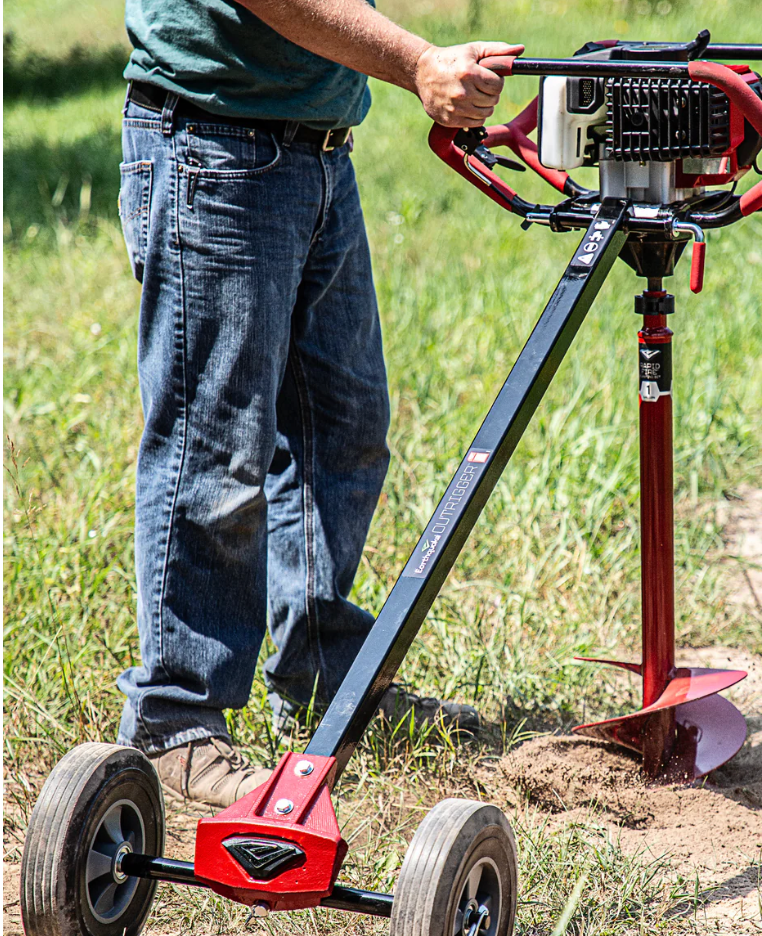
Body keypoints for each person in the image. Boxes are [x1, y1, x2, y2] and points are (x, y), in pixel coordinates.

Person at [115, 0, 521, 806]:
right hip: (214, 142)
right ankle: (176, 719)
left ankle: (323, 674)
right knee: (214, 445)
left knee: (343, 428)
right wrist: (415, 62)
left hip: (315, 151)